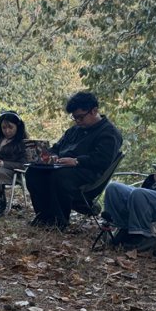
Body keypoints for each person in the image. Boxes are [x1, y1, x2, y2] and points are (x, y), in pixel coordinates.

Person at [24, 91, 123, 229]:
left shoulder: (109, 133)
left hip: (87, 172)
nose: (77, 121)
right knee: (33, 172)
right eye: (75, 118)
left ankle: (59, 221)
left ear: (94, 111)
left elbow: (102, 160)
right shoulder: (74, 130)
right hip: (61, 167)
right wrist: (51, 156)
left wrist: (76, 161)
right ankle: (43, 216)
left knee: (59, 175)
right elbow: (57, 147)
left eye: (81, 117)